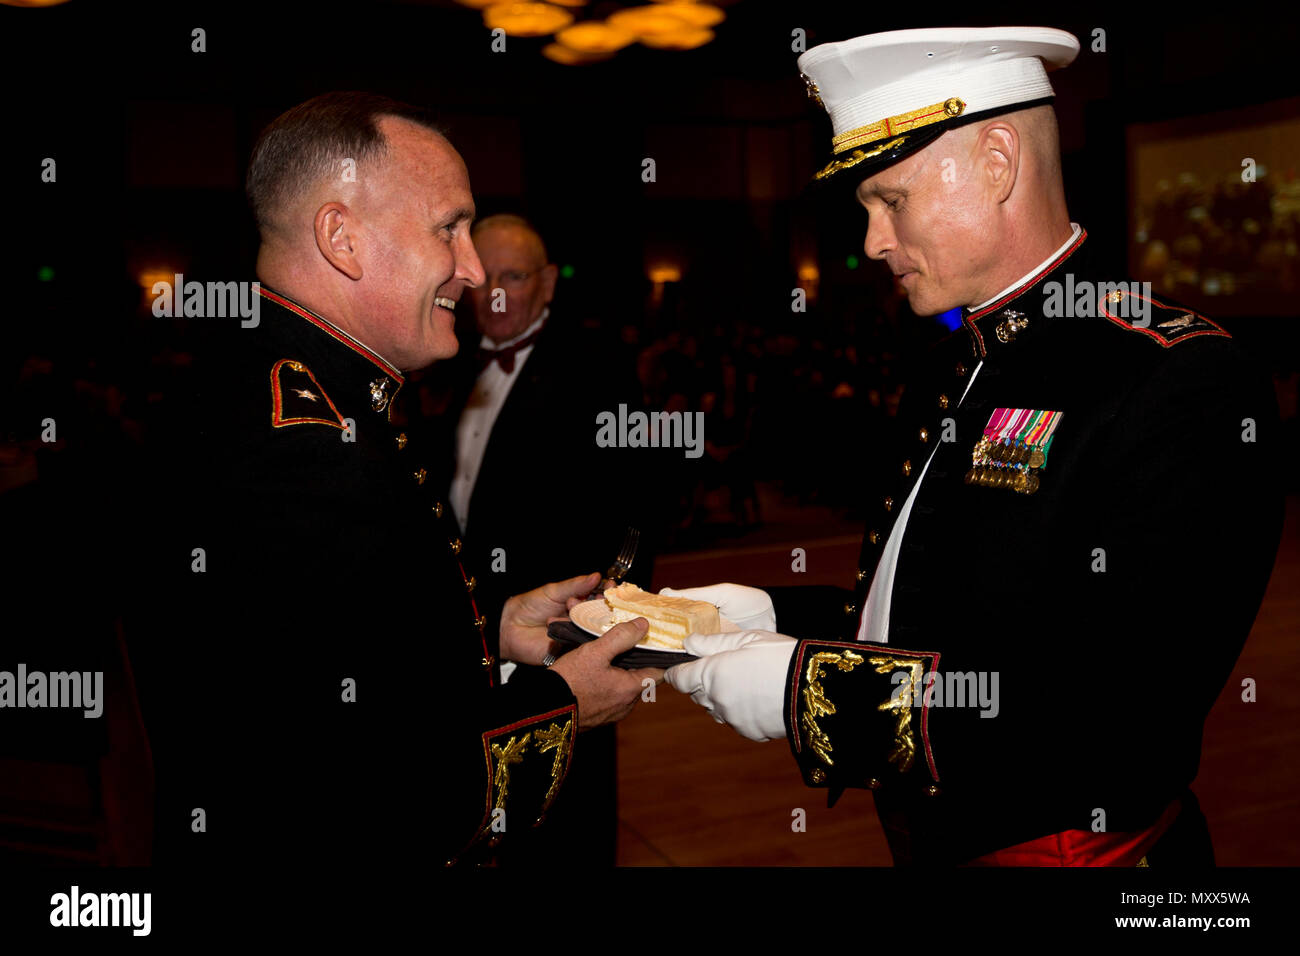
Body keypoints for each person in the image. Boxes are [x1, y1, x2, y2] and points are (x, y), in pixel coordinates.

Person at [665, 27, 1284, 866]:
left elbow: (1112, 713)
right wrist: (778, 615)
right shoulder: (958, 360)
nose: (874, 242)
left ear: (998, 162)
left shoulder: (1176, 376)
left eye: (892, 200)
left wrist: (809, 687)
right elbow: (958, 610)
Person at [138, 92, 662, 870]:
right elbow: (372, 788)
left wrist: (492, 626)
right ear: (340, 237)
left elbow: (351, 646)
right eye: (448, 227)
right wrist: (563, 705)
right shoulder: (299, 445)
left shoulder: (290, 385)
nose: (473, 268)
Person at [431, 213, 653, 864]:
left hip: (563, 636)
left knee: (569, 825)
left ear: (548, 283)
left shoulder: (596, 367)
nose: (495, 295)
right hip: (480, 634)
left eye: (514, 277)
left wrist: (608, 609)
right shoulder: (450, 365)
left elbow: (637, 501)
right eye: (484, 279)